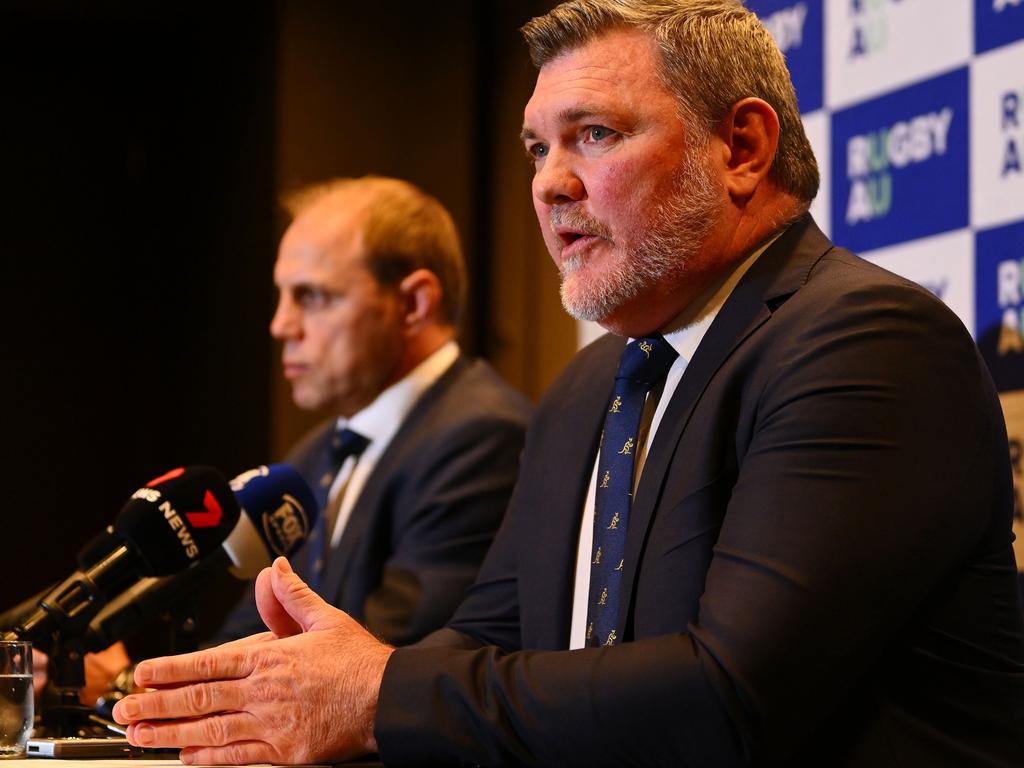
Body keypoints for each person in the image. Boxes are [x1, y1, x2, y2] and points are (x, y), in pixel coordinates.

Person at [111, 2, 1024, 766]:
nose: (550, 184)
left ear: (742, 146)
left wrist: (379, 692)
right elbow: (489, 644)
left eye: (593, 134)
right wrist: (300, 690)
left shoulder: (864, 341)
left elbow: (728, 696)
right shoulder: (590, 387)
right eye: (536, 149)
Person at [215, 175, 533, 646]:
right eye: (282, 296)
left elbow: (387, 660)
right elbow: (246, 636)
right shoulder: (313, 453)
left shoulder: (481, 437)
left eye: (312, 296)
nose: (281, 325)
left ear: (412, 304)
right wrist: (133, 688)